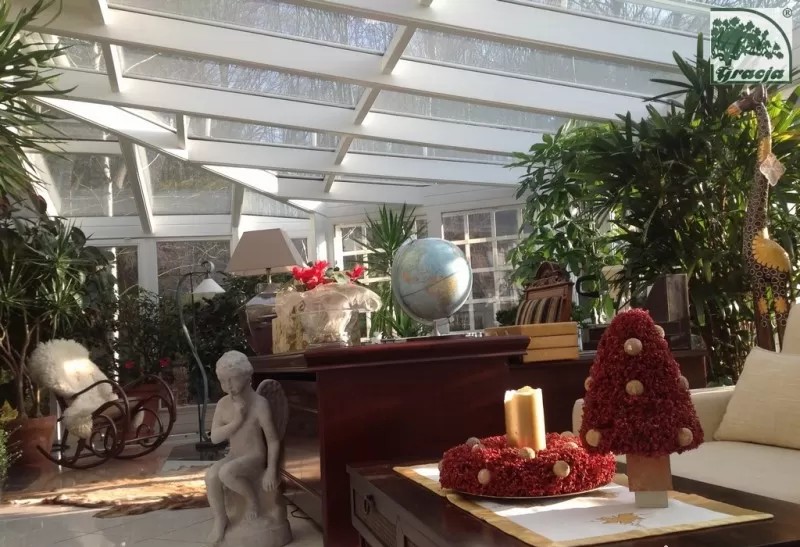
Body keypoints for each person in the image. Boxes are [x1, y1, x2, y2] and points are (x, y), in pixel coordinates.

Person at [205, 351, 280, 545]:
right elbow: (215, 438)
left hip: (255, 457)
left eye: (232, 379)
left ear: (247, 376)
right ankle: (220, 519)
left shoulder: (260, 404)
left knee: (226, 472)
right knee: (211, 475)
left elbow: (273, 440)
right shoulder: (223, 404)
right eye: (223, 381)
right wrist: (237, 420)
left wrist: (271, 470)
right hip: (235, 455)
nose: (228, 386)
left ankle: (253, 501)